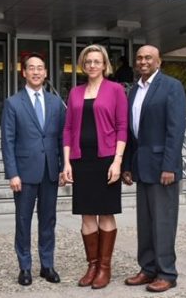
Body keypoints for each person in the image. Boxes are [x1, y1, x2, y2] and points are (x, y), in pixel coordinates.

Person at [61, 44, 128, 289]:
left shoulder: (116, 89)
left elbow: (123, 127)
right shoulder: (75, 92)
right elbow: (67, 129)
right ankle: (92, 265)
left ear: (104, 64)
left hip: (106, 159)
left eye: (96, 61)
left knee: (106, 213)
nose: (92, 65)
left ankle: (104, 268)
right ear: (83, 64)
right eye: (88, 61)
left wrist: (118, 161)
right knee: (87, 214)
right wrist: (67, 162)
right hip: (81, 160)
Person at [123, 45, 186, 293]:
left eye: (148, 57)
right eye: (139, 58)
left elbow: (175, 130)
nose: (143, 61)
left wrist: (170, 165)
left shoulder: (172, 87)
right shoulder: (134, 90)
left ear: (159, 61)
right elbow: (130, 133)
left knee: (164, 222)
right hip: (142, 166)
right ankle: (148, 269)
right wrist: (128, 165)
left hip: (163, 168)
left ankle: (167, 273)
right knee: (146, 222)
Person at [1, 52, 65, 286]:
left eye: (40, 68)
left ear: (46, 73)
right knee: (23, 220)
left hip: (50, 171)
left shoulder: (56, 103)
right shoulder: (13, 103)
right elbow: (7, 140)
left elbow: (60, 139)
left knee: (48, 220)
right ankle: (25, 267)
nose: (36, 72)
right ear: (24, 73)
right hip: (24, 174)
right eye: (31, 68)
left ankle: (47, 265)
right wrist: (12, 173)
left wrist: (63, 167)